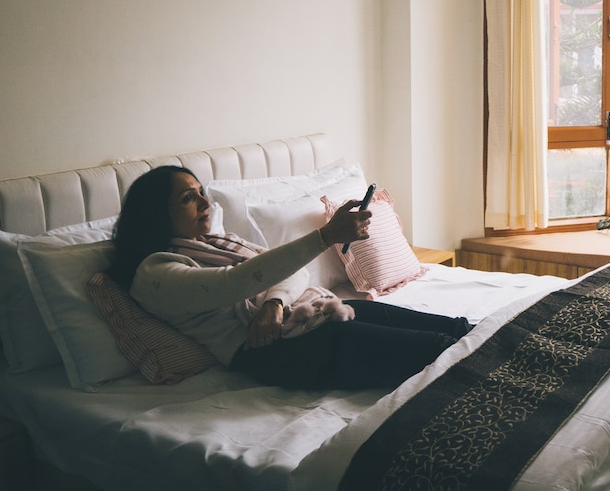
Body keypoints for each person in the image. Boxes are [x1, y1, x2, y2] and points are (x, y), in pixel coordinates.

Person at [109, 165, 472, 390]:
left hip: (314, 313)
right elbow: (233, 284)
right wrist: (324, 236)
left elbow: (294, 271)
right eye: (190, 198)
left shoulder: (220, 241)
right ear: (157, 214)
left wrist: (274, 302)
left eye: (202, 193)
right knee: (439, 352)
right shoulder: (154, 273)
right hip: (278, 351)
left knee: (460, 331)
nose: (205, 204)